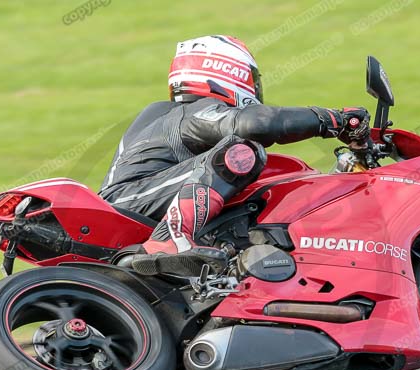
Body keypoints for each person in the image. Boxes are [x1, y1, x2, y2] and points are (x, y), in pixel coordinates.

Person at [99, 35, 371, 276]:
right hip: (126, 202)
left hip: (136, 201)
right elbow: (257, 124)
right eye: (252, 78)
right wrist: (333, 119)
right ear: (228, 73)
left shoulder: (173, 117)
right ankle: (170, 237)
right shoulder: (190, 112)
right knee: (241, 151)